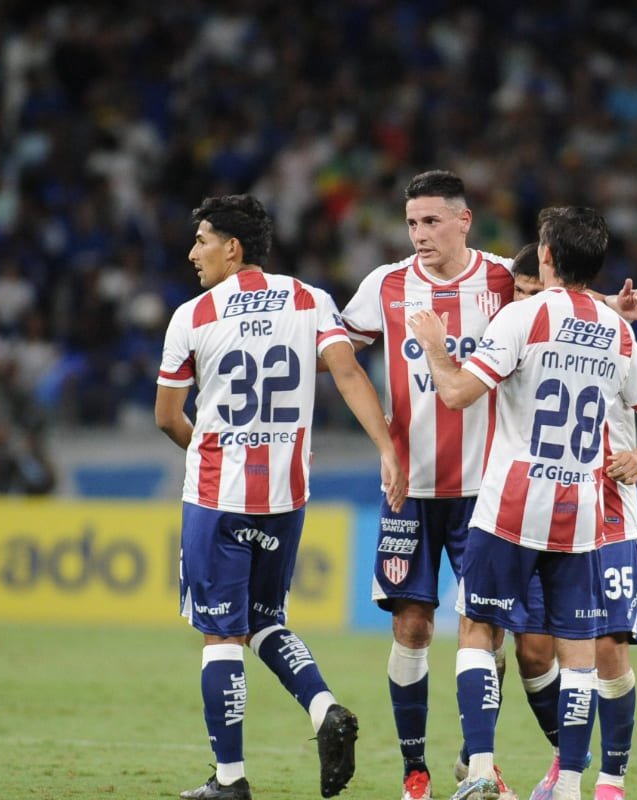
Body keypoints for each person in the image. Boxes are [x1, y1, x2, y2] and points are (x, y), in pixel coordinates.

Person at [340, 171, 637, 800]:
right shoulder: (384, 286)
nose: (419, 234)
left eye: (431, 221)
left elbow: (557, 306)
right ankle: (416, 773)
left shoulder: (500, 279)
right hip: (413, 483)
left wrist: (610, 311)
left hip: (492, 490)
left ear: (463, 221)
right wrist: (384, 445)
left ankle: (490, 765)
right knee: (413, 628)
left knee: (518, 642)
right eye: (411, 223)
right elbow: (340, 359)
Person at [408, 206, 637, 800]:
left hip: (511, 502)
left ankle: (478, 770)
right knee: (578, 651)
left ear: (546, 256)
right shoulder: (616, 331)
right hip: (581, 507)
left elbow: (454, 394)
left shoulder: (521, 317)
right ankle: (572, 784)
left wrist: (432, 346)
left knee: (478, 628)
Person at [155, 194, 408, 800]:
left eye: (203, 240)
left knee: (221, 636)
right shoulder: (310, 300)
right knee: (266, 620)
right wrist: (387, 446)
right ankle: (323, 708)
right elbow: (348, 372)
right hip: (286, 495)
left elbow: (167, 417)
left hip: (217, 494)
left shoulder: (192, 315)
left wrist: (206, 453)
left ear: (232, 248)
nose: (193, 254)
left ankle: (231, 780)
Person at [493, 245, 637, 800]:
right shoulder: (515, 333)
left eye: (537, 289)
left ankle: (609, 782)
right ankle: (564, 758)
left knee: (606, 651)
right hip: (536, 510)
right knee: (531, 650)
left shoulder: (611, 337)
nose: (531, 300)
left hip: (607, 513)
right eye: (520, 293)